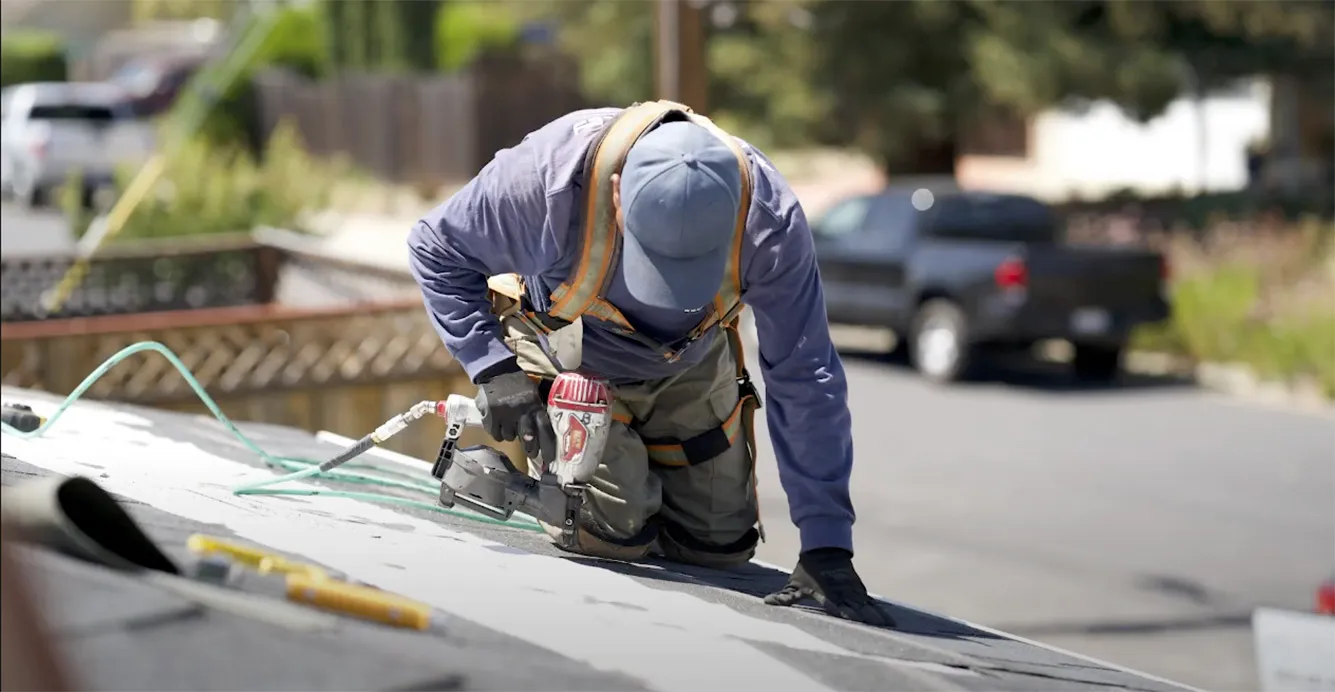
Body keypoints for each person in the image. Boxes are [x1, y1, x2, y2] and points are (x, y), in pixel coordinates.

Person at [408, 101, 893, 627]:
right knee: (613, 531)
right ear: (617, 194)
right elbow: (434, 249)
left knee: (720, 548)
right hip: (569, 357)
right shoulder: (544, 182)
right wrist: (491, 365)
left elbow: (805, 372)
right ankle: (508, 483)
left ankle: (640, 482)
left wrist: (826, 545)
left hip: (688, 360)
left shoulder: (768, 223)